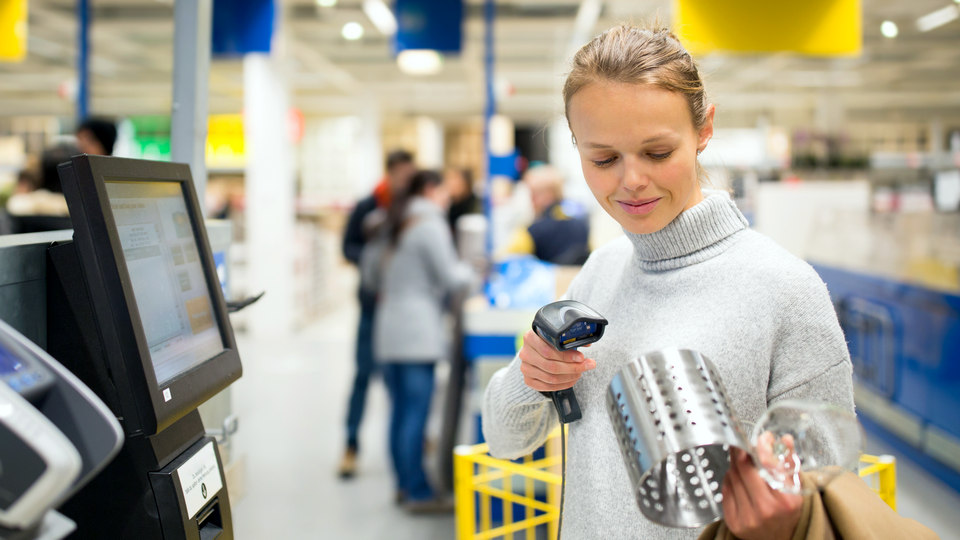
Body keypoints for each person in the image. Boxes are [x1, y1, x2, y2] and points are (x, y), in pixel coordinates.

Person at [481, 23, 855, 540]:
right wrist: (532, 375)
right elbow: (504, 439)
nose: (631, 180)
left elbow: (833, 492)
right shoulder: (600, 272)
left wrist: (784, 508)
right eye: (603, 158)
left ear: (704, 131)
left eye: (657, 153)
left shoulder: (784, 289)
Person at [364, 170, 473, 512]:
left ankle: (404, 485)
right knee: (416, 414)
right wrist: (476, 268)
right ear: (430, 189)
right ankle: (418, 493)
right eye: (444, 192)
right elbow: (451, 276)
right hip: (416, 330)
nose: (447, 199)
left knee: (398, 413)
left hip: (388, 327)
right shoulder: (430, 223)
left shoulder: (390, 220)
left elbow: (369, 276)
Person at [338, 149, 416, 478]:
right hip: (373, 306)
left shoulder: (414, 208)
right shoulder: (368, 206)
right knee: (362, 375)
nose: (405, 181)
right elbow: (347, 247)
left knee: (399, 380)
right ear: (390, 173)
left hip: (403, 309)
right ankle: (351, 444)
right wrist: (375, 260)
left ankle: (413, 440)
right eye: (401, 174)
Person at [502, 165, 590, 264]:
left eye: (532, 195)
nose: (532, 201)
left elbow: (506, 262)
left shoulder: (531, 232)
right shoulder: (582, 224)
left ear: (546, 195)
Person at [444, 167, 481, 239]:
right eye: (448, 179)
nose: (449, 183)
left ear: (465, 183)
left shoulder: (475, 204)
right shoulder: (451, 204)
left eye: (454, 179)